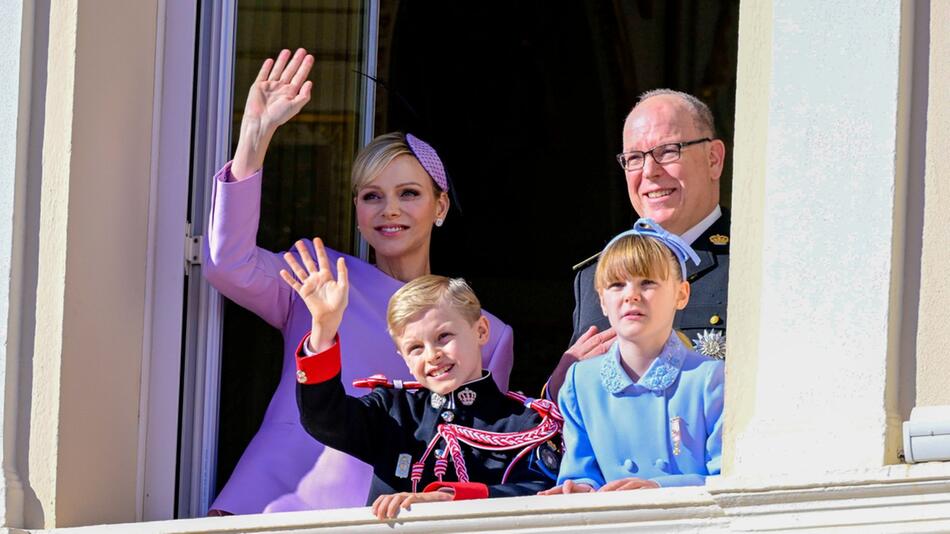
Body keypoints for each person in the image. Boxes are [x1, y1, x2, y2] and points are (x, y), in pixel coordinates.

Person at [203, 48, 514, 514]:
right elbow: (227, 263)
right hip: (274, 505)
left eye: (408, 193)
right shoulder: (320, 274)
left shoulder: (485, 328)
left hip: (388, 517)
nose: (389, 209)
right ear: (358, 212)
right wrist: (255, 134)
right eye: (372, 196)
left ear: (441, 207)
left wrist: (559, 386)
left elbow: (485, 444)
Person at [282, 256, 559, 520]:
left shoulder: (524, 423)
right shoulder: (393, 412)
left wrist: (453, 498)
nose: (432, 355)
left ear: (481, 331)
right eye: (415, 348)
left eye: (444, 336)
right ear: (402, 357)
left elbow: (547, 494)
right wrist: (323, 328)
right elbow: (324, 419)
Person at [548, 89, 730, 399]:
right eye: (634, 158)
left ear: (713, 159)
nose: (649, 171)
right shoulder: (596, 275)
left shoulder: (751, 262)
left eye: (669, 151)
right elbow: (567, 407)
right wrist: (558, 384)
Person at [540, 219, 723, 494]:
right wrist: (576, 489)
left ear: (681, 294)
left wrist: (658, 487)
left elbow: (728, 479)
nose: (631, 296)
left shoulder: (709, 379)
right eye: (616, 285)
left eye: (647, 282)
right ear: (601, 300)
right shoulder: (581, 382)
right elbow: (581, 471)